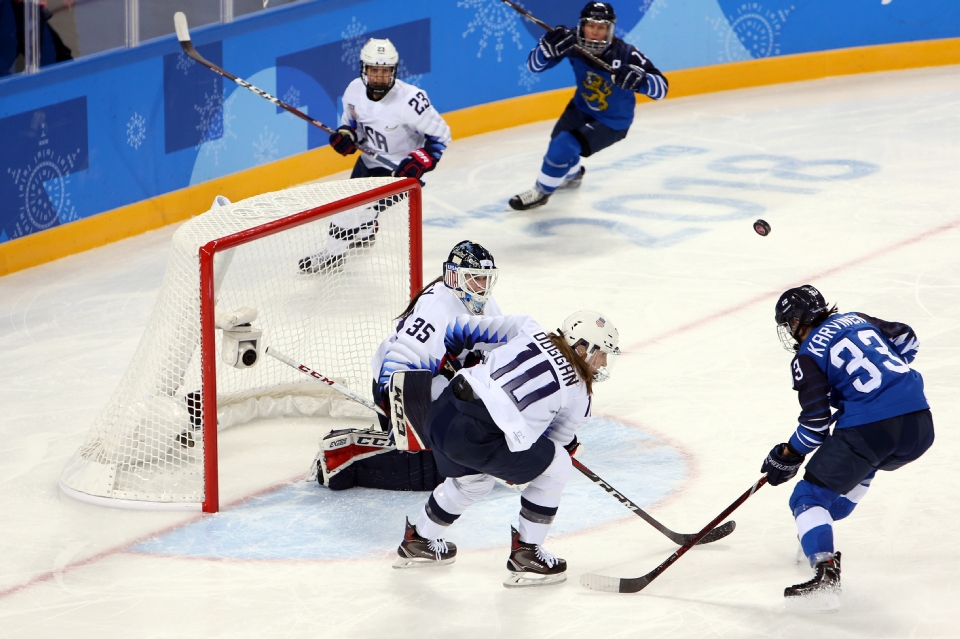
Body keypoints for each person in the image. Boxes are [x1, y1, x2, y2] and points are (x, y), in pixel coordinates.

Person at [393, 310, 620, 589]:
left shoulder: (528, 326)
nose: (604, 363)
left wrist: (455, 358)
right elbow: (554, 444)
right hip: (478, 437)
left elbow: (459, 329)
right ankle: (527, 553)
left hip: (441, 414)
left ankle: (420, 540)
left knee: (472, 484)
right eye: (602, 354)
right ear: (582, 347)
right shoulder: (580, 395)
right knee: (558, 465)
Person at [760, 285, 934, 610]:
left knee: (807, 497)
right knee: (834, 501)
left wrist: (788, 454)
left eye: (789, 323)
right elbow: (908, 340)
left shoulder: (807, 353)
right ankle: (812, 534)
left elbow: (814, 426)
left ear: (798, 320)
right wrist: (881, 383)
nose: (790, 330)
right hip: (920, 424)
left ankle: (825, 572)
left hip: (873, 430)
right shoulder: (857, 319)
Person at [315, 241, 501, 491]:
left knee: (472, 454)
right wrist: (399, 417)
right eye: (475, 278)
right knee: (442, 472)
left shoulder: (484, 304)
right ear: (455, 277)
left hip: (444, 389)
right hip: (404, 391)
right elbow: (398, 365)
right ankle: (349, 457)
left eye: (485, 279)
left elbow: (500, 353)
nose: (482, 286)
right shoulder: (438, 310)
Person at [299, 37, 451, 273]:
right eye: (374, 70)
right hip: (368, 162)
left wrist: (419, 162)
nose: (379, 76)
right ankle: (366, 231)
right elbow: (351, 127)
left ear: (394, 71)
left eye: (385, 71)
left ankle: (333, 255)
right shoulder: (354, 91)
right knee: (357, 208)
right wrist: (346, 137)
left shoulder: (411, 101)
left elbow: (441, 135)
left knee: (348, 210)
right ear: (364, 69)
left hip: (399, 172)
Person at [508, 2, 668, 210]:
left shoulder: (626, 54)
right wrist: (545, 50)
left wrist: (642, 80)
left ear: (609, 30)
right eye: (591, 26)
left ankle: (541, 192)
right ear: (582, 25)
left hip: (612, 122)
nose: (594, 32)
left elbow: (662, 89)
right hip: (581, 107)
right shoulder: (571, 43)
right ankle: (573, 175)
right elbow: (534, 66)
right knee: (559, 141)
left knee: (562, 146)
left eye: (601, 28)